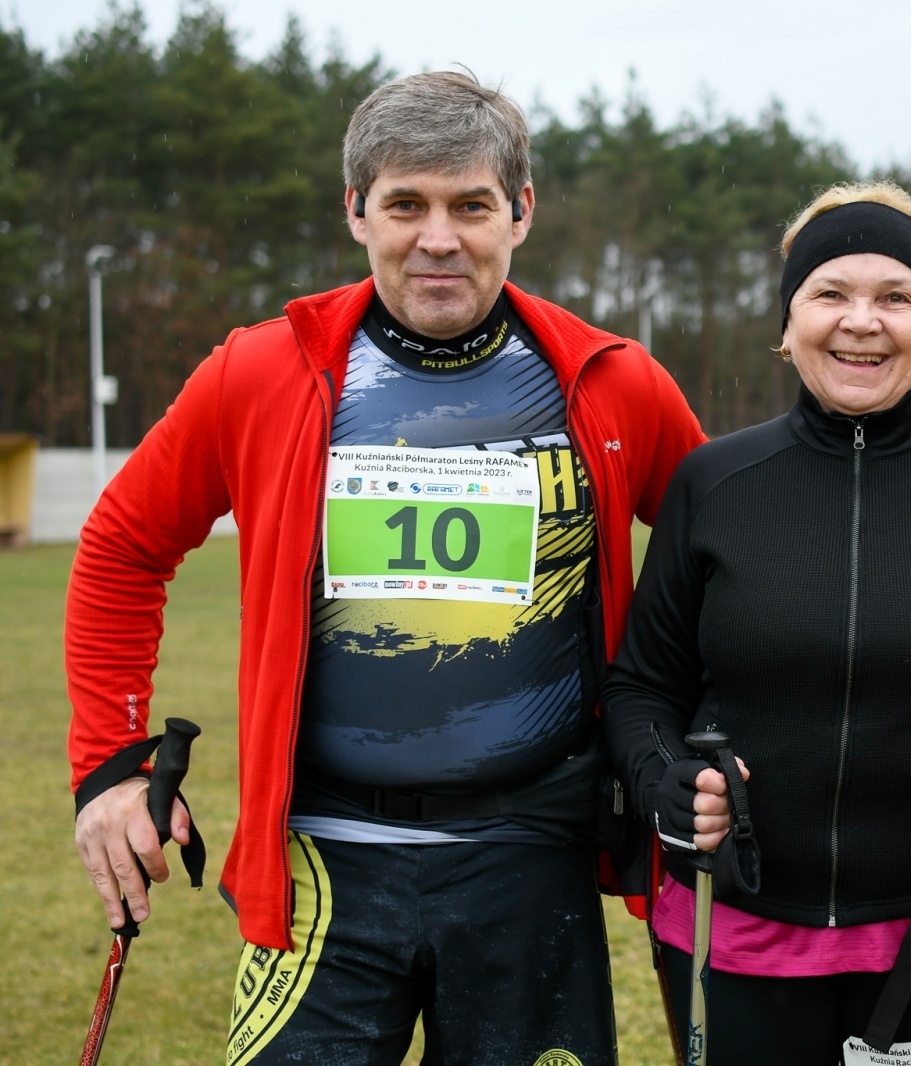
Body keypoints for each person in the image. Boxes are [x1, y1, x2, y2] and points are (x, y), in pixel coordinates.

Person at [66, 70, 704, 1065]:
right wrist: (110, 767)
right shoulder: (258, 371)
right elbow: (122, 546)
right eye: (406, 204)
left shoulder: (614, 381)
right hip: (320, 869)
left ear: (521, 212)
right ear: (356, 211)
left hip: (533, 860)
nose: (437, 238)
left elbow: (727, 557)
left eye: (471, 206)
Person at [603, 180, 911, 1064]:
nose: (862, 322)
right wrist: (663, 780)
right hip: (737, 918)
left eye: (897, 297)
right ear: (788, 323)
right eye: (830, 292)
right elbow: (642, 687)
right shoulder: (713, 484)